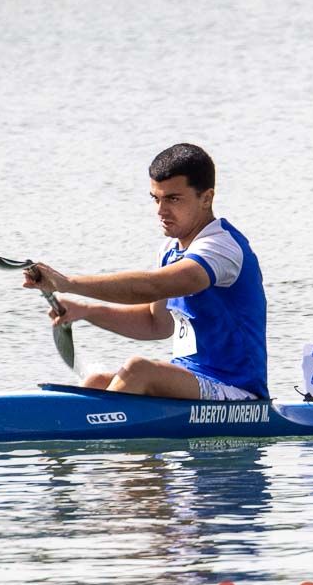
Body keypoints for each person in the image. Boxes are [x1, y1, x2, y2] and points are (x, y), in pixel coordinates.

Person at [23, 143, 268, 401]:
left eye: (173, 199)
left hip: (236, 392)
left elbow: (154, 286)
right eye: (156, 199)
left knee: (138, 371)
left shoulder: (221, 247)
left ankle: (73, 433)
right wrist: (85, 311)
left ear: (206, 198)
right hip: (191, 383)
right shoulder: (170, 250)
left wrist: (68, 283)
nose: (161, 211)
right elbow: (155, 324)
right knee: (96, 382)